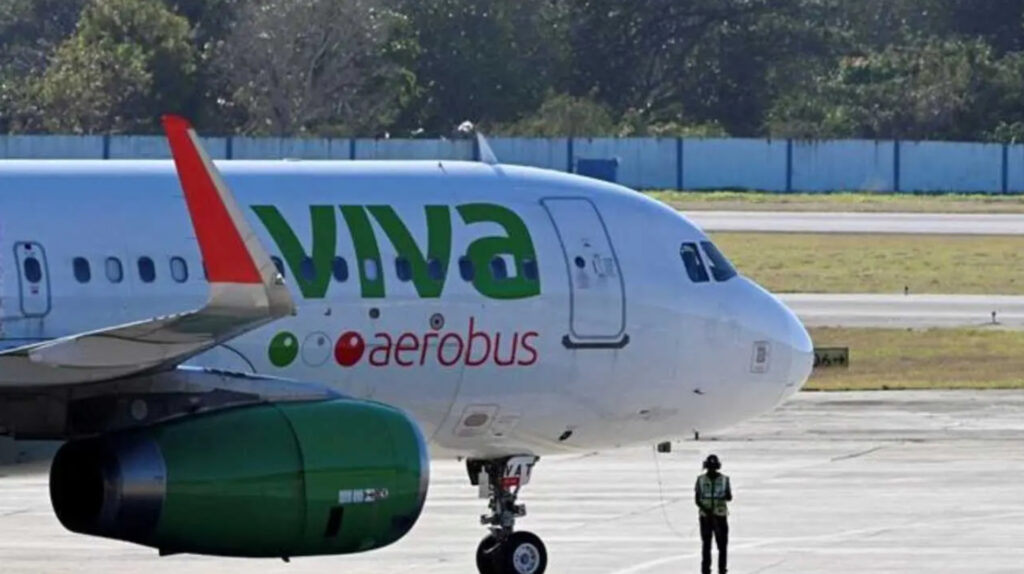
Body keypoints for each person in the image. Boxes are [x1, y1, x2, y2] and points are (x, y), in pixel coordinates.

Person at [695, 454, 731, 574]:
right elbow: (697, 499)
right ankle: (706, 570)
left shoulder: (725, 479)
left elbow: (729, 496)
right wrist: (706, 510)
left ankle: (721, 569)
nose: (711, 471)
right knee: (707, 545)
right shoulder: (700, 480)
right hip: (706, 517)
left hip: (719, 516)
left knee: (721, 546)